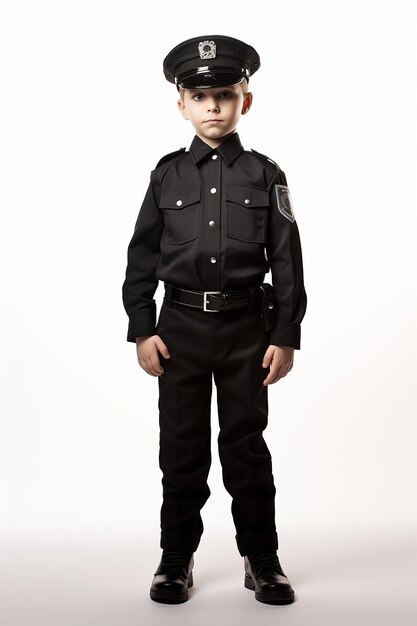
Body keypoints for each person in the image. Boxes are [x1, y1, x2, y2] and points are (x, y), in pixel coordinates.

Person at [122, 34, 307, 605]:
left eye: (224, 94)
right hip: (177, 331)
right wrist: (141, 325)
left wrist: (285, 335)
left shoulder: (264, 174)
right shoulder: (166, 174)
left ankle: (262, 558)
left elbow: (287, 258)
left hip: (246, 334)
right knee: (181, 449)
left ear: (244, 101)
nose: (212, 106)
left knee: (246, 447)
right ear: (181, 103)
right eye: (199, 96)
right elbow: (142, 253)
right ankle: (175, 558)